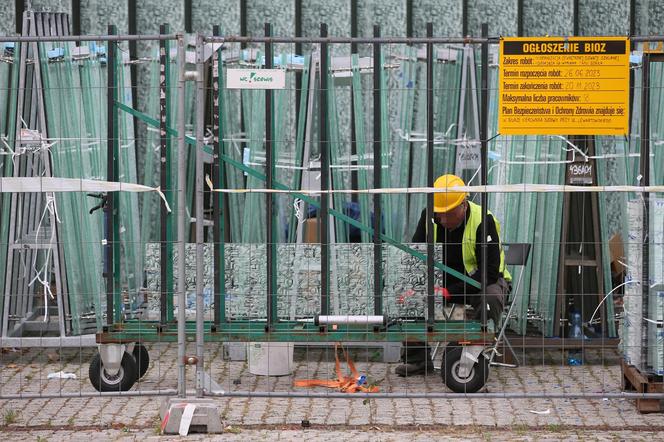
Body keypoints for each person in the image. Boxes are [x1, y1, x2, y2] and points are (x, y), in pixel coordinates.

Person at [395, 174, 511, 377]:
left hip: (481, 283)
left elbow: (490, 273)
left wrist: (449, 291)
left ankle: (465, 353)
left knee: (491, 297)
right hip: (443, 285)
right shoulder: (430, 217)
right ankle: (416, 359)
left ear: (464, 205)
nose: (444, 219)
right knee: (409, 293)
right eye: (441, 214)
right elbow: (415, 257)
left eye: (449, 213)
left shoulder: (483, 220)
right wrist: (416, 286)